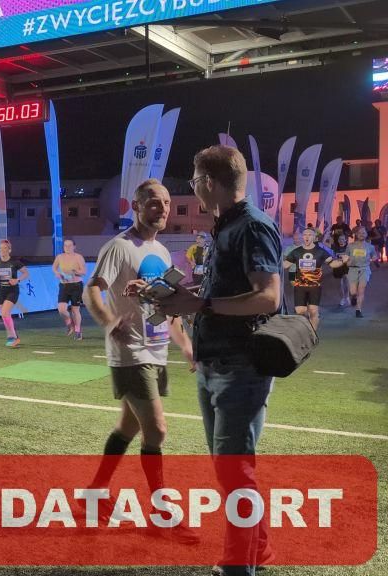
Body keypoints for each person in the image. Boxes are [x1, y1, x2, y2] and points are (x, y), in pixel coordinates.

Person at [157, 146, 282, 576]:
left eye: (194, 181)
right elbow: (223, 289)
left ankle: (237, 565)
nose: (194, 188)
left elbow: (268, 297)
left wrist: (199, 305)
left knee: (233, 472)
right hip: (216, 363)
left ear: (209, 182)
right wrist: (182, 297)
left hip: (239, 366)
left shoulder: (251, 226)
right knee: (229, 469)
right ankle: (258, 548)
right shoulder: (227, 224)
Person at [82, 179, 197, 543]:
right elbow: (92, 289)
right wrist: (108, 321)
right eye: (154, 202)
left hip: (157, 351)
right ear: (136, 206)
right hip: (131, 353)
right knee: (157, 430)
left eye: (167, 202)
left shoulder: (161, 252)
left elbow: (167, 306)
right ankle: (161, 514)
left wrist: (186, 345)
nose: (162, 209)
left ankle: (94, 494)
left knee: (129, 427)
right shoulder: (119, 247)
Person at [282, 227, 343, 330]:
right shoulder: (296, 251)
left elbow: (332, 264)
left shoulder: (321, 251)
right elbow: (285, 265)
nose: (307, 237)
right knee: (300, 311)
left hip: (315, 286)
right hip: (300, 285)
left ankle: (313, 334)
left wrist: (342, 261)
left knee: (313, 310)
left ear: (314, 237)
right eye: (305, 235)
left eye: (309, 235)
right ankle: (307, 324)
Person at [0, 239, 29, 347]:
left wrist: (17, 280)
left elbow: (26, 273)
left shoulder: (15, 262)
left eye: (5, 248)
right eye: (0, 248)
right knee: (4, 316)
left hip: (12, 291)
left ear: (9, 250)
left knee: (4, 313)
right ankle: (13, 336)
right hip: (1, 291)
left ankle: (13, 337)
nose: (2, 250)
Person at [52, 238, 86, 341]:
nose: (67, 247)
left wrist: (75, 272)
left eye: (70, 245)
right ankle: (69, 323)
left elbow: (84, 272)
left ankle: (78, 331)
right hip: (64, 286)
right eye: (65, 245)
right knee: (61, 309)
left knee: (75, 310)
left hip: (76, 286)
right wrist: (57, 273)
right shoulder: (59, 257)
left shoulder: (78, 257)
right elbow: (54, 267)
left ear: (74, 247)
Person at [342, 226, 377, 318]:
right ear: (356, 234)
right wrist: (346, 261)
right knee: (353, 291)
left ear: (366, 234)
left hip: (365, 269)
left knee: (361, 290)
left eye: (363, 233)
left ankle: (358, 310)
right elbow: (346, 256)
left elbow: (374, 255)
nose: (361, 234)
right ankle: (353, 297)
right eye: (359, 233)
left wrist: (374, 258)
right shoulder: (350, 246)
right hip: (352, 269)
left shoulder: (370, 246)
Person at [331, 233, 351, 307]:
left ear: (345, 240)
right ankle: (343, 298)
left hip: (346, 266)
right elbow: (332, 256)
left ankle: (347, 296)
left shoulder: (349, 247)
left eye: (343, 239)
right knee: (340, 284)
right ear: (338, 240)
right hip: (337, 266)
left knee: (346, 280)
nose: (341, 240)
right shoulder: (334, 247)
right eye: (340, 239)